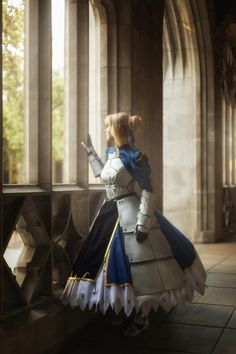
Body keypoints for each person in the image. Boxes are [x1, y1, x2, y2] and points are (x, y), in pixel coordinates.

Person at [61, 112, 207, 336]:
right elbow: (104, 175)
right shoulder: (112, 153)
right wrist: (91, 154)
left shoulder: (136, 157)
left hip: (130, 211)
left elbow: (148, 189)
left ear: (117, 129)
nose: (105, 131)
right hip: (109, 212)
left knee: (139, 268)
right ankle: (123, 310)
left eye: (108, 127)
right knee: (109, 264)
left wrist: (144, 223)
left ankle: (142, 316)